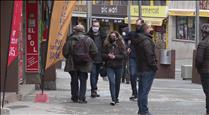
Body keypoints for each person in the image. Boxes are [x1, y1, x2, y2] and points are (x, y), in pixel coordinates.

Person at [62, 24, 98, 103]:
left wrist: (70, 57)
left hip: (72, 63)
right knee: (83, 81)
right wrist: (88, 57)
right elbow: (95, 51)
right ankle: (81, 98)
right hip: (84, 63)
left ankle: (74, 96)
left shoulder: (70, 39)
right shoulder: (89, 39)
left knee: (74, 80)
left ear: (75, 31)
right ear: (83, 31)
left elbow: (65, 52)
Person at [132, 22, 157, 115]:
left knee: (141, 90)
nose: (151, 29)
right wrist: (154, 66)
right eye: (149, 27)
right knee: (144, 91)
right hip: (147, 68)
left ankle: (141, 110)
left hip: (141, 67)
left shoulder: (138, 39)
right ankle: (144, 111)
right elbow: (149, 55)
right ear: (145, 30)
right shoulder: (146, 41)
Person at [102, 31, 126, 106]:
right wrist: (108, 56)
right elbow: (102, 54)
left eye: (114, 36)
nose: (113, 38)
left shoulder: (121, 45)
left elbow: (124, 56)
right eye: (111, 36)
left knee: (117, 83)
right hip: (109, 66)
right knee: (112, 82)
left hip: (119, 66)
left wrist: (115, 57)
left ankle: (116, 97)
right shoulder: (106, 44)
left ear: (117, 37)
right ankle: (113, 99)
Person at [87, 19, 108, 98]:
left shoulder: (103, 35)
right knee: (93, 74)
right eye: (94, 26)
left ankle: (94, 88)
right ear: (92, 26)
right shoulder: (88, 35)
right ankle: (93, 90)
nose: (95, 27)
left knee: (96, 75)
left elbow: (105, 46)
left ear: (99, 27)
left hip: (100, 58)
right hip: (91, 58)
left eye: (97, 26)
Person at [128, 18, 145, 101]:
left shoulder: (145, 35)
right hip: (133, 57)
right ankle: (134, 93)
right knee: (132, 74)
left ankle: (141, 93)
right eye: (136, 25)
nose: (137, 27)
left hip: (142, 58)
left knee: (142, 76)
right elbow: (123, 39)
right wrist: (127, 47)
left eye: (139, 25)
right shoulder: (132, 34)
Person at [195, 23, 209, 115]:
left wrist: (199, 69)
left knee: (207, 91)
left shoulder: (203, 44)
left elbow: (199, 60)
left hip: (205, 71)